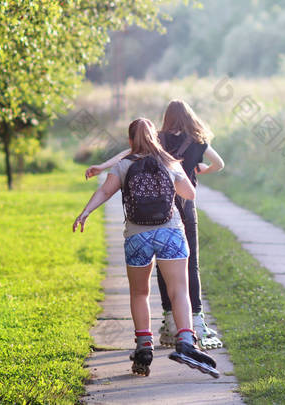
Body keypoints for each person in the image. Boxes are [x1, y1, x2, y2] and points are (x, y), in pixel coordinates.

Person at [74, 118, 219, 378]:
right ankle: (185, 340)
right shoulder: (169, 161)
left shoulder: (124, 164)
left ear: (130, 141)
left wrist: (84, 213)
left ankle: (144, 347)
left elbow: (105, 192)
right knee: (179, 290)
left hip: (137, 236)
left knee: (140, 293)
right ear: (156, 138)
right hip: (171, 233)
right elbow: (190, 194)